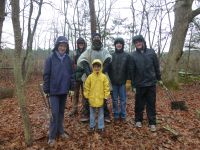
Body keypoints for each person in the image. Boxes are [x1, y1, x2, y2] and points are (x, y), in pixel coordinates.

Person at [43, 36, 74, 146]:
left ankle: (60, 131)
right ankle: (51, 136)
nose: (62, 48)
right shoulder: (50, 58)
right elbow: (46, 75)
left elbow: (71, 75)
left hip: (64, 90)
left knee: (61, 113)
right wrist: (46, 89)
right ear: (57, 46)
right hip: (54, 91)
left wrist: (71, 88)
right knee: (54, 114)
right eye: (61, 45)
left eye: (64, 46)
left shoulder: (68, 59)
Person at [77, 33, 112, 123]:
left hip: (102, 77)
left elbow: (108, 59)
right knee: (87, 95)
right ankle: (86, 113)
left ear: (100, 39)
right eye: (95, 38)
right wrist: (89, 74)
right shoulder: (88, 51)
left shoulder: (104, 51)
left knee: (103, 95)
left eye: (98, 37)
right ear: (92, 40)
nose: (96, 39)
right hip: (90, 77)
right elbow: (82, 60)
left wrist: (102, 73)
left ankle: (105, 114)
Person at [130, 35, 162, 132]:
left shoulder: (151, 52)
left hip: (151, 83)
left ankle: (152, 122)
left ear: (143, 42)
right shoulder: (133, 55)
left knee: (151, 104)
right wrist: (133, 84)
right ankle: (138, 120)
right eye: (136, 42)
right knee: (139, 104)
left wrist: (159, 78)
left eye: (139, 41)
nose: (138, 43)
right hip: (139, 84)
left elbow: (156, 66)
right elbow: (132, 70)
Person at [84, 59, 110, 132]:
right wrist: (86, 97)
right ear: (92, 67)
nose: (96, 68)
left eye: (98, 66)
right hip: (91, 99)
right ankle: (92, 126)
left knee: (101, 114)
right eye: (95, 66)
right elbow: (86, 87)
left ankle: (100, 127)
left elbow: (106, 88)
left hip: (101, 99)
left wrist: (105, 97)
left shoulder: (104, 77)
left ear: (101, 67)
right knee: (92, 114)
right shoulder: (90, 77)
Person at [108, 37, 130, 123]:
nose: (119, 44)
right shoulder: (111, 56)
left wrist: (128, 81)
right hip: (113, 82)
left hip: (123, 82)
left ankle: (123, 115)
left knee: (123, 100)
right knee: (114, 100)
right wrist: (108, 81)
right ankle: (116, 115)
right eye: (117, 43)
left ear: (123, 45)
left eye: (120, 43)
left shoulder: (127, 56)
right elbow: (108, 69)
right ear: (115, 45)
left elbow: (129, 69)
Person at [69, 37, 87, 117]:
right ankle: (74, 109)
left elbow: (86, 64)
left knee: (84, 94)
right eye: (79, 43)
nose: (81, 45)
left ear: (84, 44)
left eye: (82, 43)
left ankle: (84, 109)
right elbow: (73, 64)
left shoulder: (86, 52)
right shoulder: (75, 52)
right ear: (77, 44)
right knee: (75, 94)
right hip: (76, 76)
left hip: (84, 76)